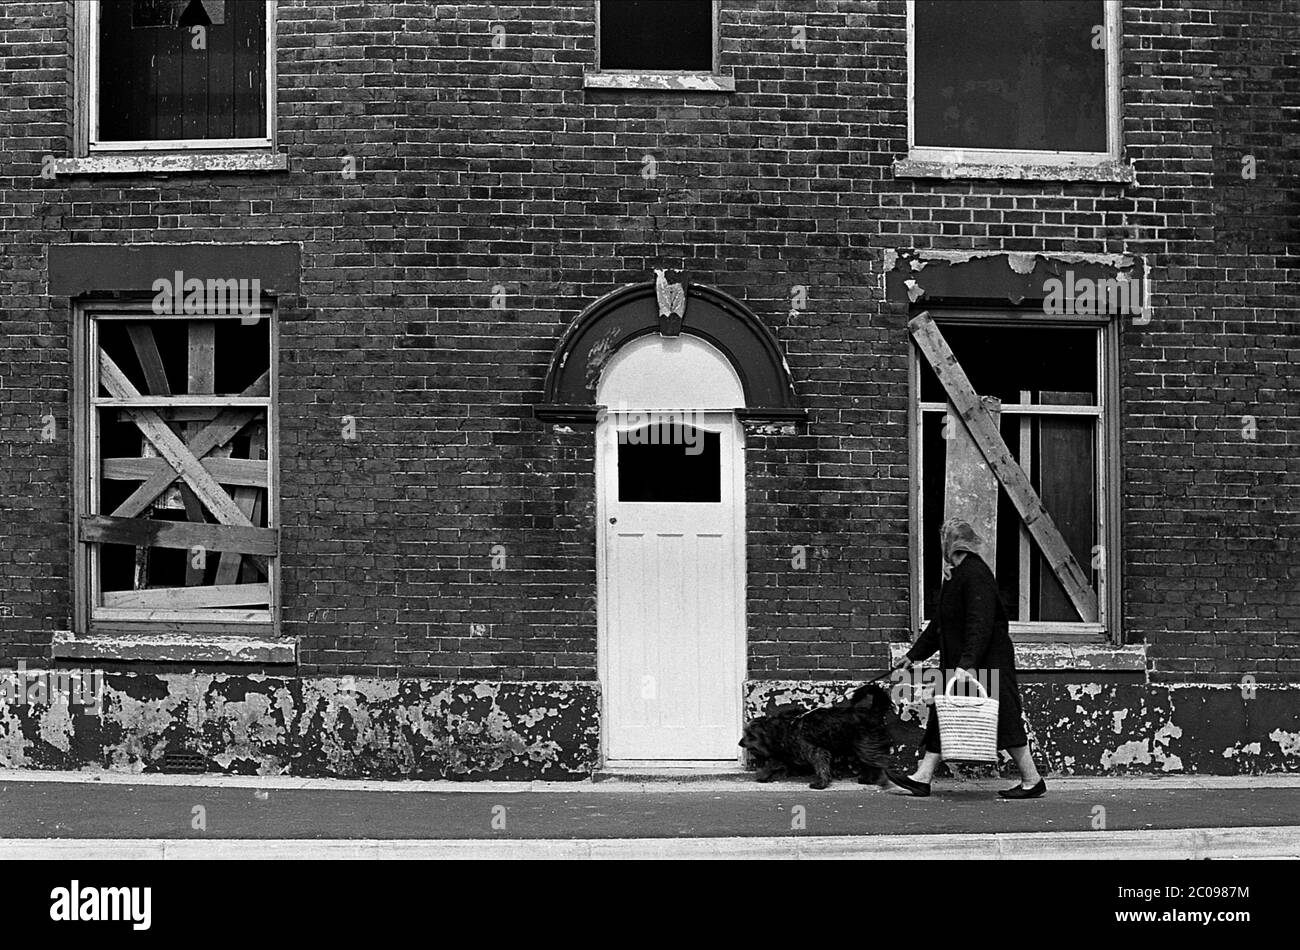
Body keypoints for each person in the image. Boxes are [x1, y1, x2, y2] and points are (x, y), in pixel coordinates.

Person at [886, 519, 1046, 799]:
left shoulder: (975, 574)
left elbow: (979, 622)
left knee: (1005, 719)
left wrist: (967, 664)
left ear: (950, 543)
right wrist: (913, 657)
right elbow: (939, 626)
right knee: (942, 715)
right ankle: (922, 777)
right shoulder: (956, 576)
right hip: (965, 664)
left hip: (987, 663)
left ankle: (1032, 779)